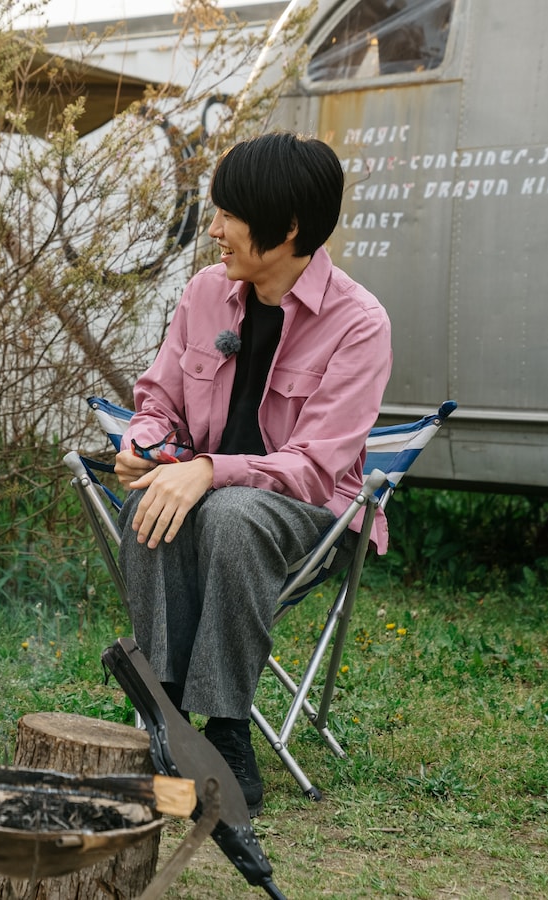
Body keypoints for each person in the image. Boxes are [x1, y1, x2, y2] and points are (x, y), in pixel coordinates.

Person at [114, 131, 393, 816]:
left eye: (228, 214)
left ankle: (227, 730)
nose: (213, 230)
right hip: (204, 498)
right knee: (155, 502)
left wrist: (208, 469)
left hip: (309, 518)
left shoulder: (359, 324)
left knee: (231, 515)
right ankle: (165, 719)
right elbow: (159, 402)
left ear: (287, 227)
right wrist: (145, 444)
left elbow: (312, 469)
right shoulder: (206, 294)